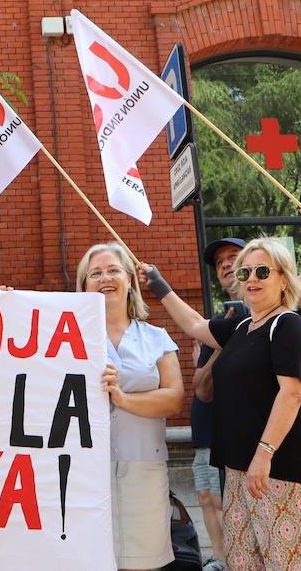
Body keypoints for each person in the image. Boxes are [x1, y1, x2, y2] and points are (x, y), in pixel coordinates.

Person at [146, 237, 301, 570]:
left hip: (281, 468)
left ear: (284, 279)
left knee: (287, 564)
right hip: (240, 470)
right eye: (245, 273)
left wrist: (263, 455)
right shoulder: (243, 326)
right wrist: (159, 285)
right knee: (244, 564)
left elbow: (293, 393)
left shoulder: (287, 325)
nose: (251, 279)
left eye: (262, 271)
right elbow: (195, 326)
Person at [79, 242, 182, 571]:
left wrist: (123, 399)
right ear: (83, 286)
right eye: (94, 273)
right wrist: (9, 308)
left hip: (143, 469)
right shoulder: (63, 336)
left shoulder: (156, 337)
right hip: (83, 473)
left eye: (113, 270)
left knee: (142, 563)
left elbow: (174, 398)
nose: (104, 278)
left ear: (129, 280)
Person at [189, 237, 245, 571]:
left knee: (227, 500)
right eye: (220, 261)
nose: (225, 264)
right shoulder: (216, 323)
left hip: (240, 432)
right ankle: (223, 561)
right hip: (207, 425)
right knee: (207, 497)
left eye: (233, 257)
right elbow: (200, 385)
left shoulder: (270, 316)